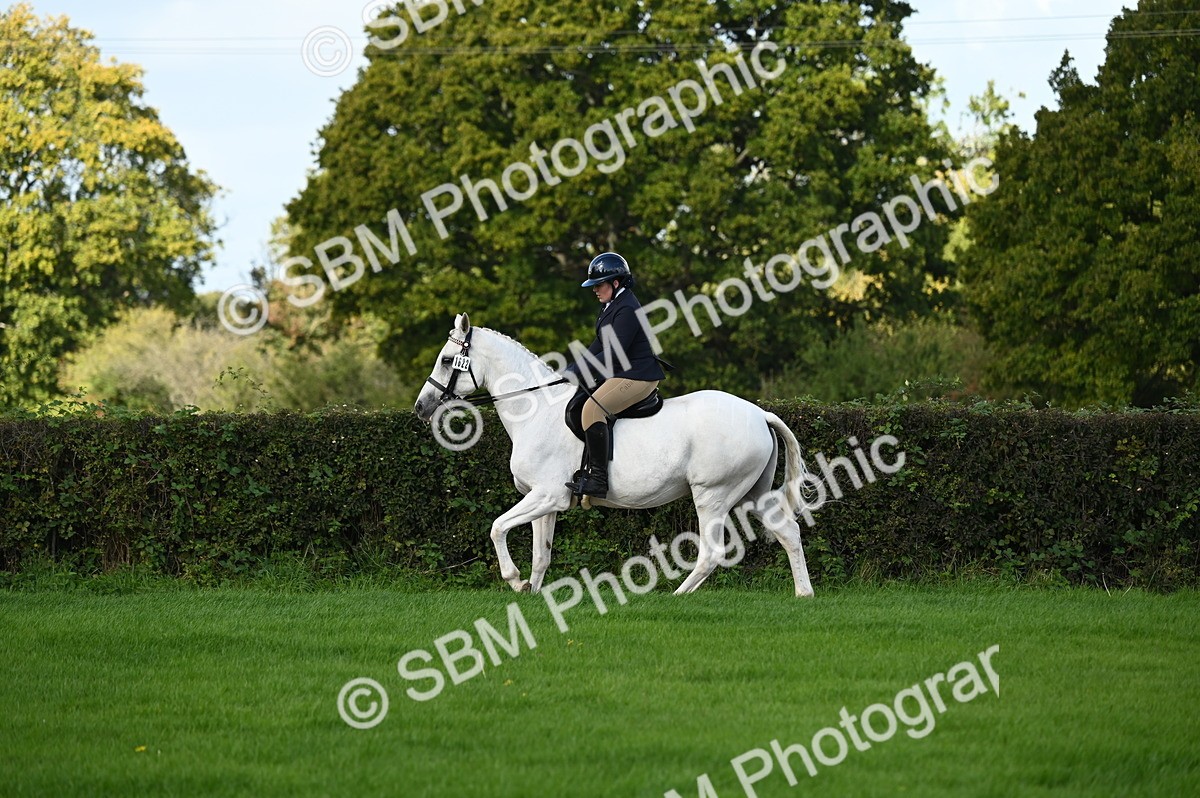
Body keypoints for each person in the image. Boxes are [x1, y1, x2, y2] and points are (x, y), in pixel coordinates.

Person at [563, 252, 666, 499]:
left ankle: (598, 479)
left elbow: (613, 354)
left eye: (598, 285)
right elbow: (597, 346)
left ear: (616, 282)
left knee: (592, 409)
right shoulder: (610, 306)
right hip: (624, 371)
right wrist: (572, 369)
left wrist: (581, 371)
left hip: (639, 376)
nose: (595, 290)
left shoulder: (627, 309)